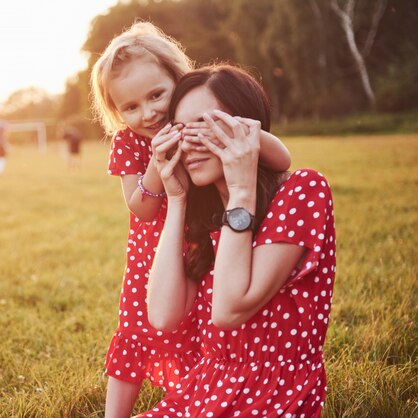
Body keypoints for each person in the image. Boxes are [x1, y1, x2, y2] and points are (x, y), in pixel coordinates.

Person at [90, 22, 293, 416]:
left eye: (156, 95)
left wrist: (234, 129)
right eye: (130, 107)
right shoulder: (129, 143)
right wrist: (156, 166)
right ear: (116, 111)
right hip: (154, 249)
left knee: (200, 328)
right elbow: (141, 206)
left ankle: (197, 395)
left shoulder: (201, 120)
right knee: (138, 327)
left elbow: (282, 159)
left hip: (205, 238)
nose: (147, 113)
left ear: (178, 80)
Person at [140, 64, 336, 417]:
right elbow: (163, 315)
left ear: (246, 132)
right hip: (204, 389)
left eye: (208, 126)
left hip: (273, 397)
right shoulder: (205, 216)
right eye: (183, 130)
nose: (191, 142)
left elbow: (229, 309)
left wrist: (242, 188)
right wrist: (178, 201)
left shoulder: (302, 191)